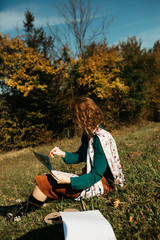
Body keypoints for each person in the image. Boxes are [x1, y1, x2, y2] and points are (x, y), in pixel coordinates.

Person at [0, 97, 125, 221]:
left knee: (47, 181)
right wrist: (63, 154)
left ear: (84, 117)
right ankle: (21, 209)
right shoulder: (89, 134)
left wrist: (69, 181)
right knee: (49, 180)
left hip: (102, 185)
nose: (73, 121)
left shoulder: (99, 139)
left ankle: (19, 212)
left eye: (75, 118)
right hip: (92, 179)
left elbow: (96, 174)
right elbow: (82, 156)